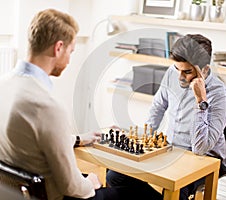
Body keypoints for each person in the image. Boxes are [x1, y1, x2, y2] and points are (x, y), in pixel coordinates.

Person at [0, 8, 138, 200]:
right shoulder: (46, 106)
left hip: (16, 192)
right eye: (70, 52)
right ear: (58, 48)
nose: (69, 60)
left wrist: (77, 139)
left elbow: (31, 136)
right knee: (132, 191)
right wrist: (91, 181)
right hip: (55, 196)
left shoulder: (3, 84)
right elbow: (71, 186)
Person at [106, 34, 226, 199]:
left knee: (177, 192)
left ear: (205, 69)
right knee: (114, 176)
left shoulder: (220, 95)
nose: (180, 77)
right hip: (171, 148)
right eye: (177, 69)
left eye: (187, 72)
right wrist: (144, 140)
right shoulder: (173, 73)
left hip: (204, 158)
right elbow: (159, 105)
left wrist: (200, 101)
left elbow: (200, 149)